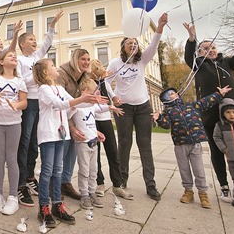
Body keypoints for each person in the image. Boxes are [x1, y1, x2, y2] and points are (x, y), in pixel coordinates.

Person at [34, 59, 106, 228]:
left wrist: (89, 100)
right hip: (48, 134)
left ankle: (57, 205)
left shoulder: (60, 88)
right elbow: (59, 104)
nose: (56, 67)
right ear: (45, 73)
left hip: (62, 135)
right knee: (47, 171)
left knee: (58, 170)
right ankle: (44, 207)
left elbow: (72, 104)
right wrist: (81, 100)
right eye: (52, 66)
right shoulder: (44, 89)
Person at [183, 23, 234, 202]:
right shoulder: (198, 64)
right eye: (206, 48)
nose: (211, 50)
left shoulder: (227, 62)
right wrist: (191, 39)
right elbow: (188, 57)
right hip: (210, 114)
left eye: (213, 47)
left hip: (232, 112)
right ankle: (224, 185)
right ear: (199, 52)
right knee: (217, 149)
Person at [105, 13, 168, 201]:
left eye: (135, 43)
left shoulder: (142, 60)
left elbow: (154, 44)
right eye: (129, 43)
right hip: (124, 108)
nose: (133, 45)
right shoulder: (116, 63)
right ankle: (121, 181)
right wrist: (114, 97)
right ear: (123, 47)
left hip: (143, 108)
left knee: (145, 145)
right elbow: (106, 81)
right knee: (124, 144)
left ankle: (151, 185)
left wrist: (160, 27)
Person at [152, 86, 231, 209]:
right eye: (172, 94)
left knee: (199, 169)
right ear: (167, 99)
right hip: (180, 144)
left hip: (195, 143)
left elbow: (206, 101)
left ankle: (203, 193)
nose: (176, 93)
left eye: (174, 92)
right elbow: (166, 125)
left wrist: (219, 94)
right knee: (184, 169)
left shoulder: (191, 106)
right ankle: (188, 191)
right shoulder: (167, 112)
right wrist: (159, 119)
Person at [16, 10, 62, 206]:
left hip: (41, 103)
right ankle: (20, 183)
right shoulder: (20, 60)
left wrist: (51, 26)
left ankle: (29, 176)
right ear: (22, 44)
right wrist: (35, 78)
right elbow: (20, 81)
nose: (35, 42)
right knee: (25, 141)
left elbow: (47, 43)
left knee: (35, 141)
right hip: (29, 104)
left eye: (35, 39)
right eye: (31, 39)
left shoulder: (37, 57)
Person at [0, 50, 27, 215]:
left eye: (15, 56)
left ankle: (13, 197)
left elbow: (24, 102)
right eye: (10, 56)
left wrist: (17, 106)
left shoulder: (19, 81)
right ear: (1, 62)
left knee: (12, 158)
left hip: (14, 123)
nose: (14, 57)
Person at [68, 78, 121, 210]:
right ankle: (84, 194)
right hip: (82, 143)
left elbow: (100, 108)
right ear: (85, 91)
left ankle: (92, 192)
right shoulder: (78, 106)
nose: (96, 95)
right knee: (84, 170)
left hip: (93, 143)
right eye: (94, 92)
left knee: (93, 170)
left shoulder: (91, 106)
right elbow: (68, 114)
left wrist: (110, 107)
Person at [88, 59, 130, 199]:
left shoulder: (104, 82)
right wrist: (98, 80)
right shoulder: (89, 84)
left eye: (98, 70)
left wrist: (116, 100)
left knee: (113, 152)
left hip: (105, 119)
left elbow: (112, 95)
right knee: (95, 154)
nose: (97, 73)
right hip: (93, 120)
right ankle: (100, 183)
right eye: (95, 71)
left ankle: (117, 185)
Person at [57, 48, 92, 201]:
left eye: (88, 59)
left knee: (72, 149)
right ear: (75, 60)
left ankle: (65, 182)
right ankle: (54, 183)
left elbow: (84, 104)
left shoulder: (85, 77)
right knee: (61, 150)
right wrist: (71, 127)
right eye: (83, 59)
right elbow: (61, 103)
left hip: (73, 118)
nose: (86, 62)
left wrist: (78, 127)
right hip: (59, 118)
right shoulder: (61, 74)